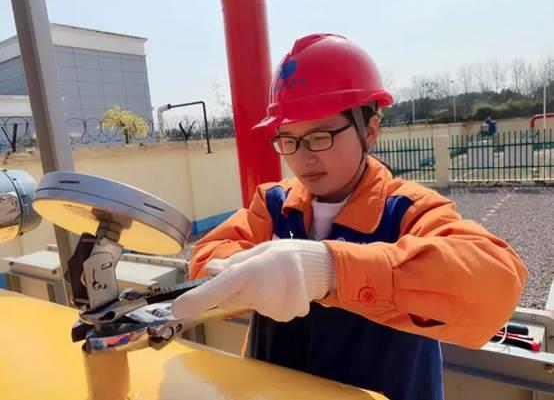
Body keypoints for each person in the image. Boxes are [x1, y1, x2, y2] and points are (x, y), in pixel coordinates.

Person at [163, 34, 527, 400]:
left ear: (370, 130)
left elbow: (497, 283)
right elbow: (205, 260)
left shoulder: (406, 211)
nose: (303, 157)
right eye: (288, 140)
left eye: (320, 136)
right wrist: (241, 272)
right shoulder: (274, 206)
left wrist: (331, 271)